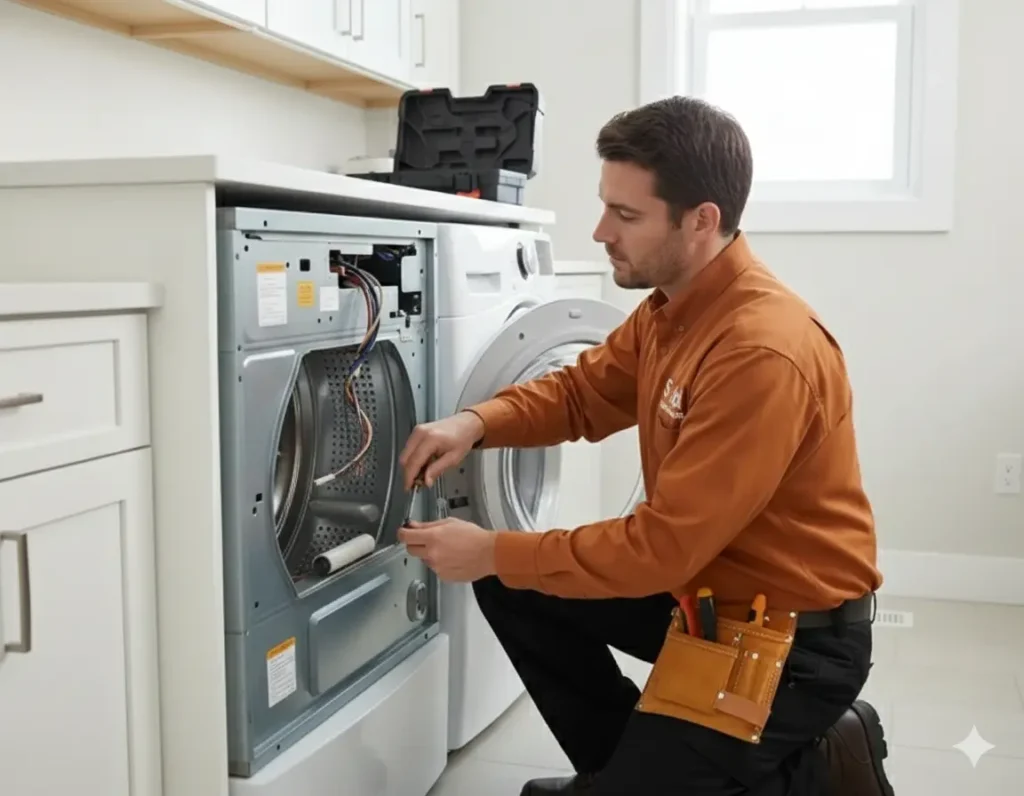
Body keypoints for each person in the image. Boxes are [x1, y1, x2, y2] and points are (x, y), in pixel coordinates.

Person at [397, 96, 895, 796]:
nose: (601, 231)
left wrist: (490, 547)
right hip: (703, 600)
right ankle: (621, 768)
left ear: (702, 220)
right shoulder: (671, 308)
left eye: (626, 216)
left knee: (503, 560)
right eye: (607, 206)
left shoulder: (760, 352)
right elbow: (580, 394)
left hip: (790, 643)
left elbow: (661, 548)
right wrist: (477, 421)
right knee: (511, 583)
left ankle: (822, 762)